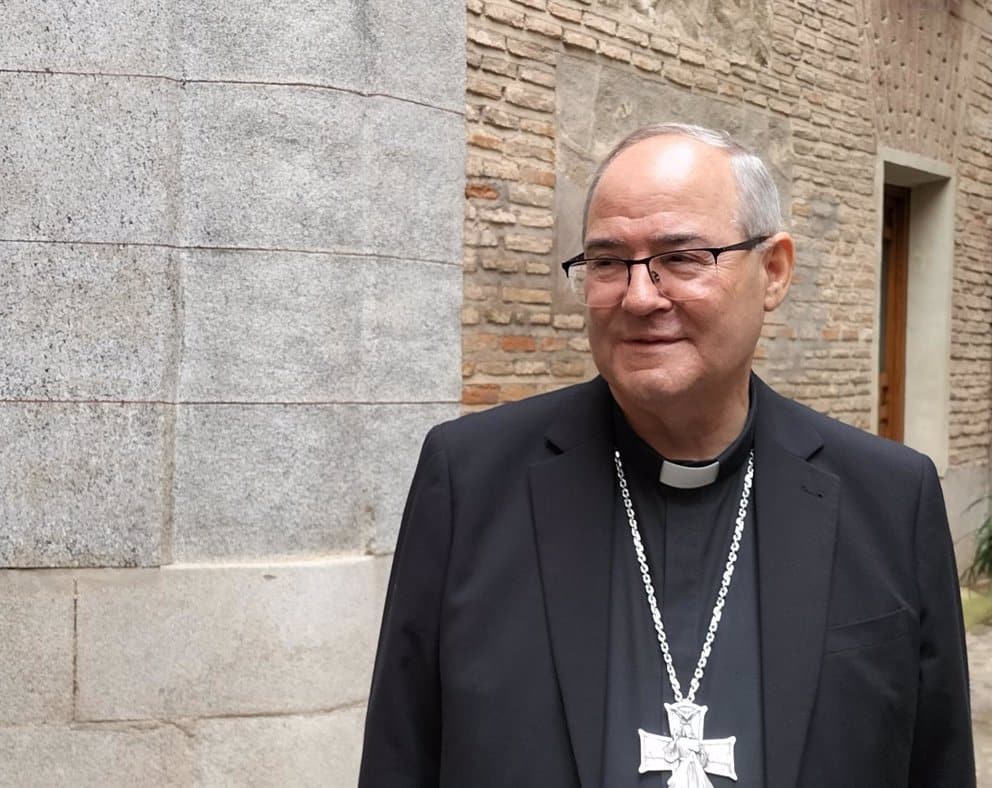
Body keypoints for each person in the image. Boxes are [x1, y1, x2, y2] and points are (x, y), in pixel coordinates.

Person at [357, 123, 975, 787]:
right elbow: (401, 756)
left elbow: (935, 763)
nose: (640, 296)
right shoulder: (469, 481)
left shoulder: (890, 497)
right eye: (606, 262)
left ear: (774, 271)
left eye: (681, 258)